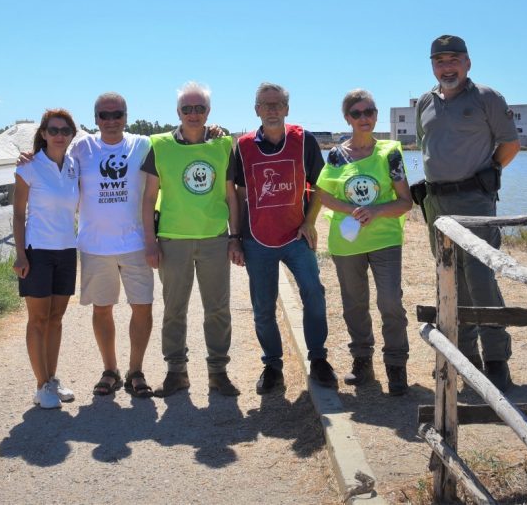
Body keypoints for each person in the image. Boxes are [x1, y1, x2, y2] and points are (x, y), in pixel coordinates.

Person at [416, 35, 521, 391]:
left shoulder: (487, 98)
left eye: (454, 60)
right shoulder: (425, 102)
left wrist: (488, 171)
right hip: (436, 205)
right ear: (433, 66)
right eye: (440, 61)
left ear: (468, 63)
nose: (447, 67)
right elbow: (425, 145)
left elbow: (510, 144)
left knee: (481, 281)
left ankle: (496, 362)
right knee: (450, 280)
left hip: (475, 202)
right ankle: (464, 359)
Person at [141, 81, 243, 397]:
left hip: (214, 239)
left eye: (200, 108)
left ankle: (218, 372)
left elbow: (231, 195)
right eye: (188, 109)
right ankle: (176, 372)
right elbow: (148, 198)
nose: (194, 114)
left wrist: (235, 237)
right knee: (174, 310)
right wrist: (150, 241)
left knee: (218, 309)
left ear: (208, 112)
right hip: (172, 240)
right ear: (178, 112)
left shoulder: (222, 145)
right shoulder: (159, 145)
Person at [234, 82, 337, 394]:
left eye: (278, 104)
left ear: (287, 109)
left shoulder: (303, 140)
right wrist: (235, 238)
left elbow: (322, 184)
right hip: (256, 239)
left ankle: (318, 358)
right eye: (266, 105)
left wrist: (310, 222)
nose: (273, 110)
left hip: (296, 236)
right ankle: (273, 366)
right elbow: (238, 194)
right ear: (257, 110)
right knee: (263, 306)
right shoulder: (243, 146)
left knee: (314, 295)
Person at [316, 89, 412, 396]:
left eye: (369, 112)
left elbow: (406, 201)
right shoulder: (335, 155)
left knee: (390, 301)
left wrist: (376, 211)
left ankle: (396, 365)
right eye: (356, 113)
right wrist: (352, 211)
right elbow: (321, 194)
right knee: (354, 304)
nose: (364, 118)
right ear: (347, 118)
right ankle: (362, 362)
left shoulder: (390, 153)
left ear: (376, 115)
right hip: (347, 243)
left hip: (385, 240)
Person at [69, 92, 155, 398]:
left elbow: (181, 138)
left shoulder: (143, 145)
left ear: (126, 116)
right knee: (102, 309)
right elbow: (53, 159)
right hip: (95, 246)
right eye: (104, 115)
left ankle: (136, 370)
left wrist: (214, 132)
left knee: (142, 308)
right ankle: (110, 370)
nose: (111, 121)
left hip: (135, 243)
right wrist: (30, 154)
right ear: (95, 119)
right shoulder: (82, 147)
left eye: (117, 114)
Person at [12, 109, 80, 409]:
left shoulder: (74, 165)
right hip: (37, 252)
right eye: (53, 130)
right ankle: (40, 386)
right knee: (38, 320)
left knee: (56, 319)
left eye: (65, 130)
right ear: (43, 134)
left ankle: (51, 379)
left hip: (66, 250)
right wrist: (20, 254)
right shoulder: (29, 167)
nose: (59, 135)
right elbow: (17, 213)